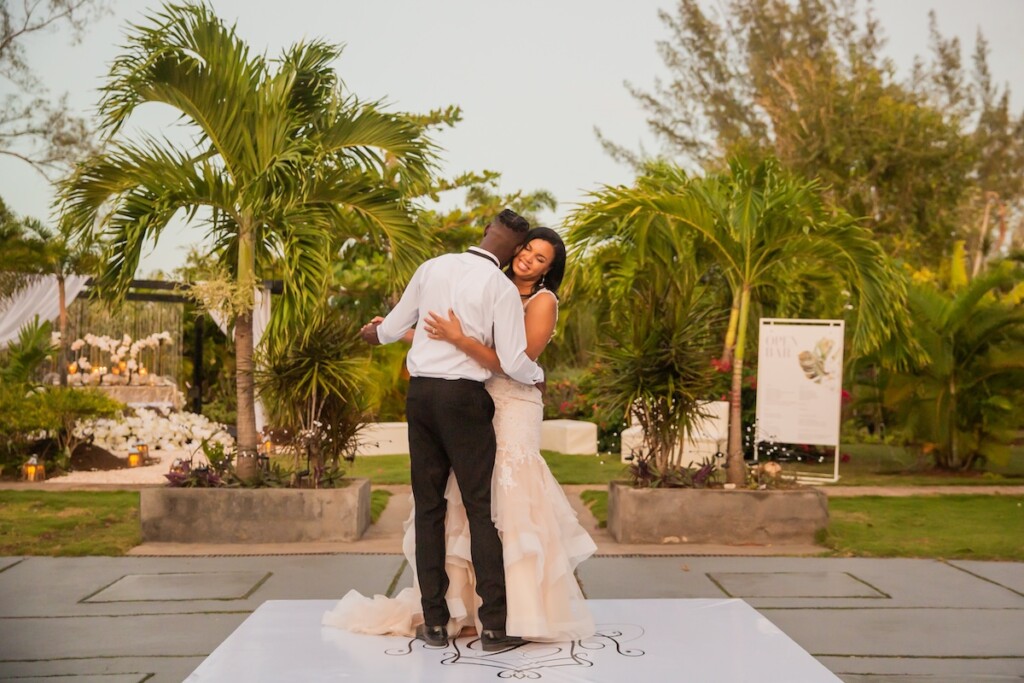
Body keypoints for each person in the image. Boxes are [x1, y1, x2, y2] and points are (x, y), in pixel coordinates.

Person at [323, 226, 596, 646]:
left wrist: (402, 333)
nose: (527, 259)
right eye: (526, 250)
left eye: (540, 258)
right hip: (472, 400)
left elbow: (509, 360)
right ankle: (479, 619)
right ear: (512, 248)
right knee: (465, 509)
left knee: (500, 506)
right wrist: (410, 333)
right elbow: (451, 338)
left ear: (548, 270)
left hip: (504, 404)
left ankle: (494, 615)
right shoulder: (493, 285)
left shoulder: (533, 299)